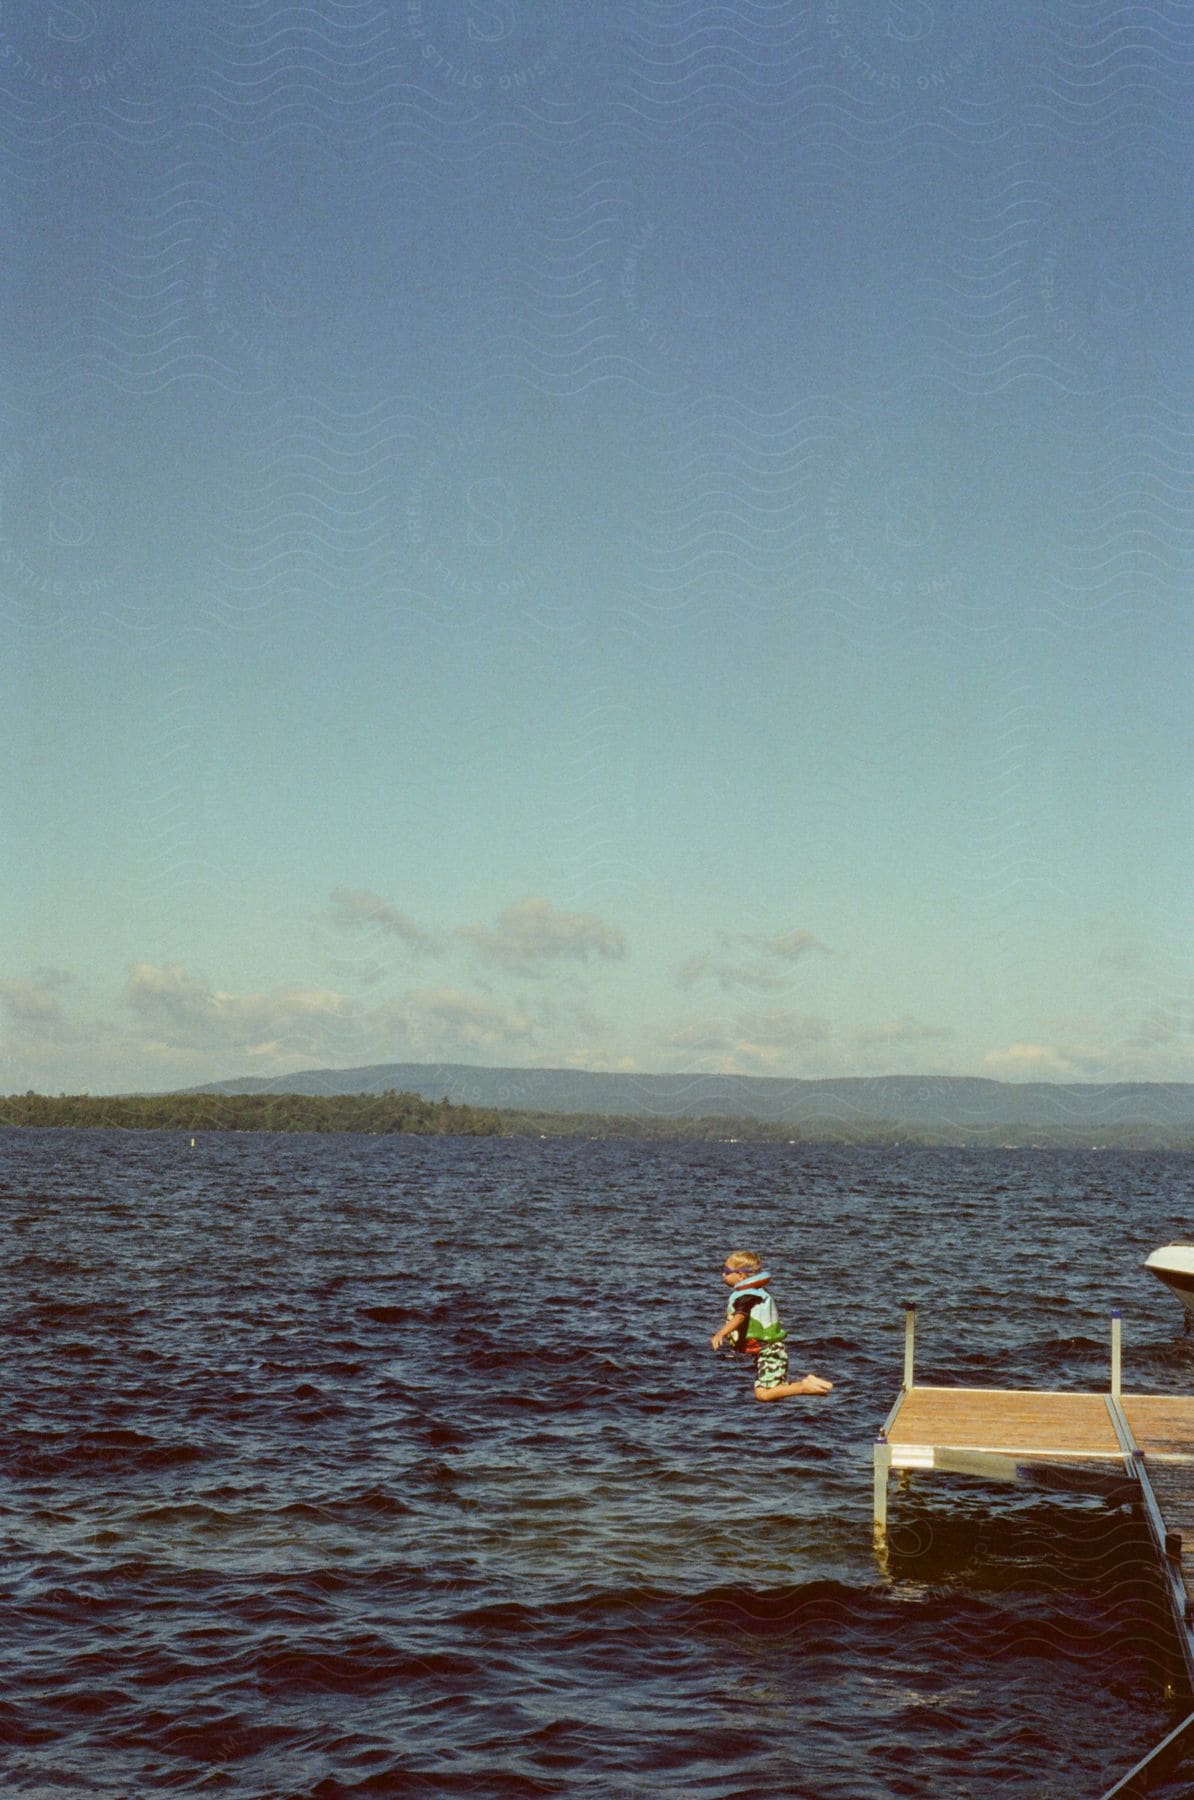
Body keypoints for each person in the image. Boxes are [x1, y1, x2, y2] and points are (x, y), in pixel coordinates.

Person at [710, 1250, 833, 1400]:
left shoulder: (748, 1296)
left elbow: (740, 1317)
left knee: (763, 1395)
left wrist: (720, 1333)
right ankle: (808, 1383)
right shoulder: (752, 1293)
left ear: (741, 1275)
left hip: (769, 1351)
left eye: (726, 1271)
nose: (722, 1274)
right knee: (764, 1392)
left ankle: (804, 1386)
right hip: (765, 1352)